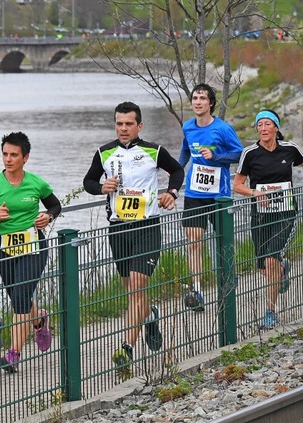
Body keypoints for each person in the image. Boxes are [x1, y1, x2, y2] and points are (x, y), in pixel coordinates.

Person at [83, 102, 184, 374]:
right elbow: (88, 182)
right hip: (118, 229)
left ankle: (126, 347)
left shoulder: (154, 151)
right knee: (132, 291)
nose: (123, 128)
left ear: (139, 125)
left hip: (146, 226)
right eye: (119, 123)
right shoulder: (104, 152)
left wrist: (171, 193)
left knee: (138, 286)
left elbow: (177, 171)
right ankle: (149, 316)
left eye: (129, 124)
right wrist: (101, 187)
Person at [0, 131, 60, 373]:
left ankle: (13, 353)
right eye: (5, 154)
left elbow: (55, 205)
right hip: (5, 248)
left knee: (19, 298)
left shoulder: (36, 183)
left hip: (33, 246)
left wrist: (48, 216)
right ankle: (38, 320)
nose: (8, 159)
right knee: (19, 297)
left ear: (25, 158)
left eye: (14, 155)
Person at [233, 109, 301, 329]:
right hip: (260, 215)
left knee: (270, 262)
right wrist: (255, 193)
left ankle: (270, 312)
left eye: (267, 124)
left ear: (276, 127)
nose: (263, 128)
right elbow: (237, 186)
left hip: (285, 213)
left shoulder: (290, 149)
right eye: (259, 124)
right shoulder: (250, 153)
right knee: (264, 268)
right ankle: (283, 267)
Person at [179, 83, 243, 311]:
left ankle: (226, 284)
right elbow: (185, 153)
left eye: (202, 98)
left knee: (223, 242)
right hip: (194, 193)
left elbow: (239, 154)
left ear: (211, 103)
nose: (197, 102)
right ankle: (197, 290)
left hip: (219, 194)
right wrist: (175, 179)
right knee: (194, 241)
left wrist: (216, 155)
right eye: (195, 98)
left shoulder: (223, 129)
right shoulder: (188, 127)